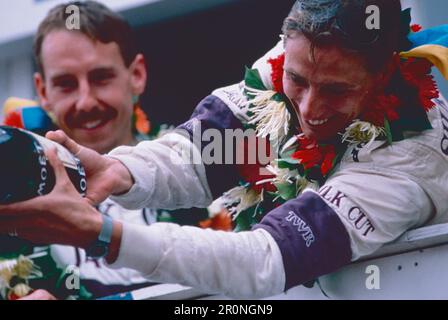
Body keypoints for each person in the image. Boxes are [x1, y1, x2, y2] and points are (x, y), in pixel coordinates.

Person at [1, 0, 448, 299]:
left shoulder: (412, 155)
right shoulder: (291, 58)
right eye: (297, 81)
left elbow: (265, 258)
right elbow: (201, 155)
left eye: (336, 90)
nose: (310, 108)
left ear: (385, 73)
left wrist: (98, 233)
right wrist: (118, 171)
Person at [0, 1, 212, 300]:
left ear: (136, 74)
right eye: (65, 84)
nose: (85, 102)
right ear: (43, 92)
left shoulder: (206, 172)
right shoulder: (10, 202)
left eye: (101, 78)